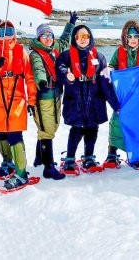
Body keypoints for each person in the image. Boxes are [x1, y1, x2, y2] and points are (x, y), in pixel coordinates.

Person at [56, 25, 120, 173]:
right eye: (79, 36)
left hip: (94, 102)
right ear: (74, 38)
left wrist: (115, 104)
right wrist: (67, 75)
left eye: (85, 36)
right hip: (75, 100)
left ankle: (89, 157)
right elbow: (60, 68)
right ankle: (70, 159)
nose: (82, 39)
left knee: (92, 129)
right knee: (76, 129)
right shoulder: (66, 56)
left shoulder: (99, 57)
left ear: (90, 38)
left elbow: (106, 84)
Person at [0, 21, 37, 189]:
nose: (6, 35)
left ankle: (21, 172)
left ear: (14, 34)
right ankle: (8, 162)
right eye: (2, 32)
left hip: (16, 99)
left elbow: (29, 78)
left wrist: (32, 100)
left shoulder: (22, 52)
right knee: (1, 133)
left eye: (10, 31)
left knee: (14, 134)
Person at [29, 12, 77, 180]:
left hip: (56, 94)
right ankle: (48, 167)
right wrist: (41, 82)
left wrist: (70, 24)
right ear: (39, 38)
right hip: (44, 95)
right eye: (44, 36)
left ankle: (39, 158)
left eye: (50, 35)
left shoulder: (55, 49)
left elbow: (65, 40)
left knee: (49, 127)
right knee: (47, 130)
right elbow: (38, 69)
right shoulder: (35, 54)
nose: (48, 38)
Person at [104, 19, 139, 167]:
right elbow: (112, 65)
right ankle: (112, 153)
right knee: (117, 122)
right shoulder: (119, 51)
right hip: (123, 95)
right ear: (125, 38)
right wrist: (110, 69)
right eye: (130, 36)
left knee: (138, 124)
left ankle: (136, 154)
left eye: (135, 36)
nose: (132, 40)